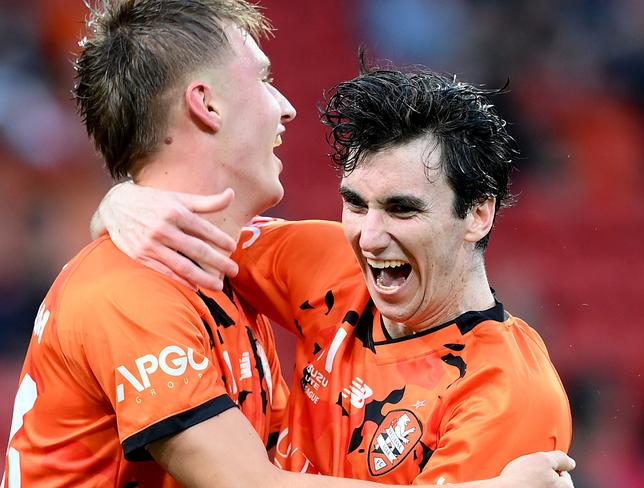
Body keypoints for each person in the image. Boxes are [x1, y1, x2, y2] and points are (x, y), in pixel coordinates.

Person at [1, 1, 574, 487]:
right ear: (206, 104)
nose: (370, 237)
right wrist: (119, 202)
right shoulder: (135, 290)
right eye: (265, 79)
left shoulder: (506, 393)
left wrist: (121, 201)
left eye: (402, 208)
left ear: (478, 214)